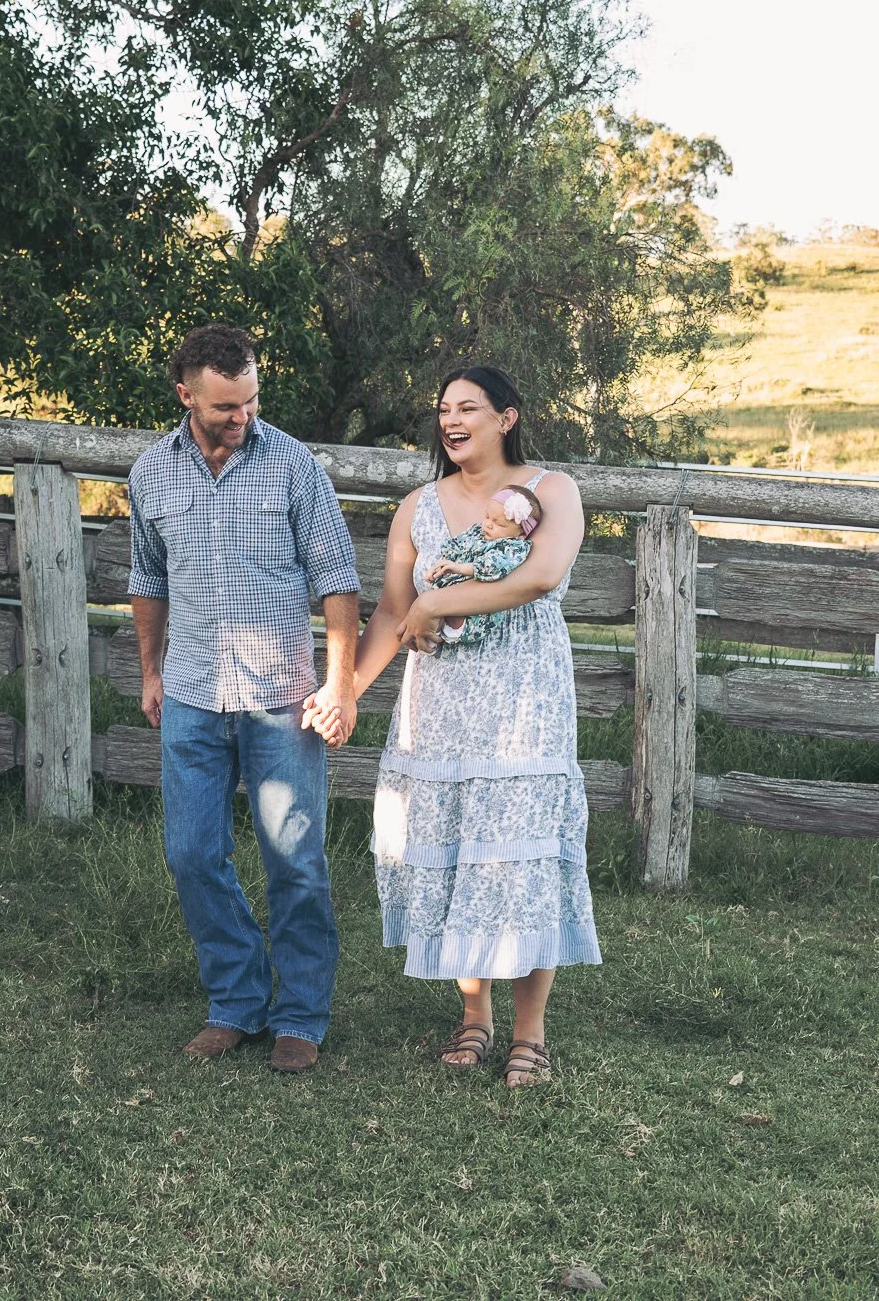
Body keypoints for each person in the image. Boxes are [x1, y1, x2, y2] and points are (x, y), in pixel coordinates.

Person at [350, 364, 600, 1088]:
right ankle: (474, 1016)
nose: (451, 421)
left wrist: (436, 605)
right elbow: (392, 612)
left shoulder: (552, 491)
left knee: (521, 856)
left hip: (524, 700)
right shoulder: (418, 507)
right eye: (443, 410)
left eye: (468, 408)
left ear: (507, 417)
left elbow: (539, 577)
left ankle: (530, 1033)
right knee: (459, 853)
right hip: (442, 704)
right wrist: (347, 694)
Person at [127, 324, 361, 1075]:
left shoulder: (293, 465)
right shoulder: (150, 473)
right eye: (227, 405)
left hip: (281, 699)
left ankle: (300, 1015)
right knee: (192, 854)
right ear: (186, 396)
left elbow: (337, 579)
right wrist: (151, 672)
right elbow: (148, 578)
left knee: (295, 861)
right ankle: (235, 1001)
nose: (243, 415)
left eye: (252, 399)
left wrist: (340, 683)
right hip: (191, 693)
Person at [426, 483, 542, 647]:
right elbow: (456, 545)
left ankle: (442, 628)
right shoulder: (478, 532)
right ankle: (430, 632)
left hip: (476, 608)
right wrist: (442, 565)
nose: (488, 524)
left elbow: (492, 566)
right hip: (450, 589)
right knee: (431, 610)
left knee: (449, 611)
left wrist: (459, 568)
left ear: (521, 532)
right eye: (487, 516)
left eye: (498, 523)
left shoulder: (513, 547)